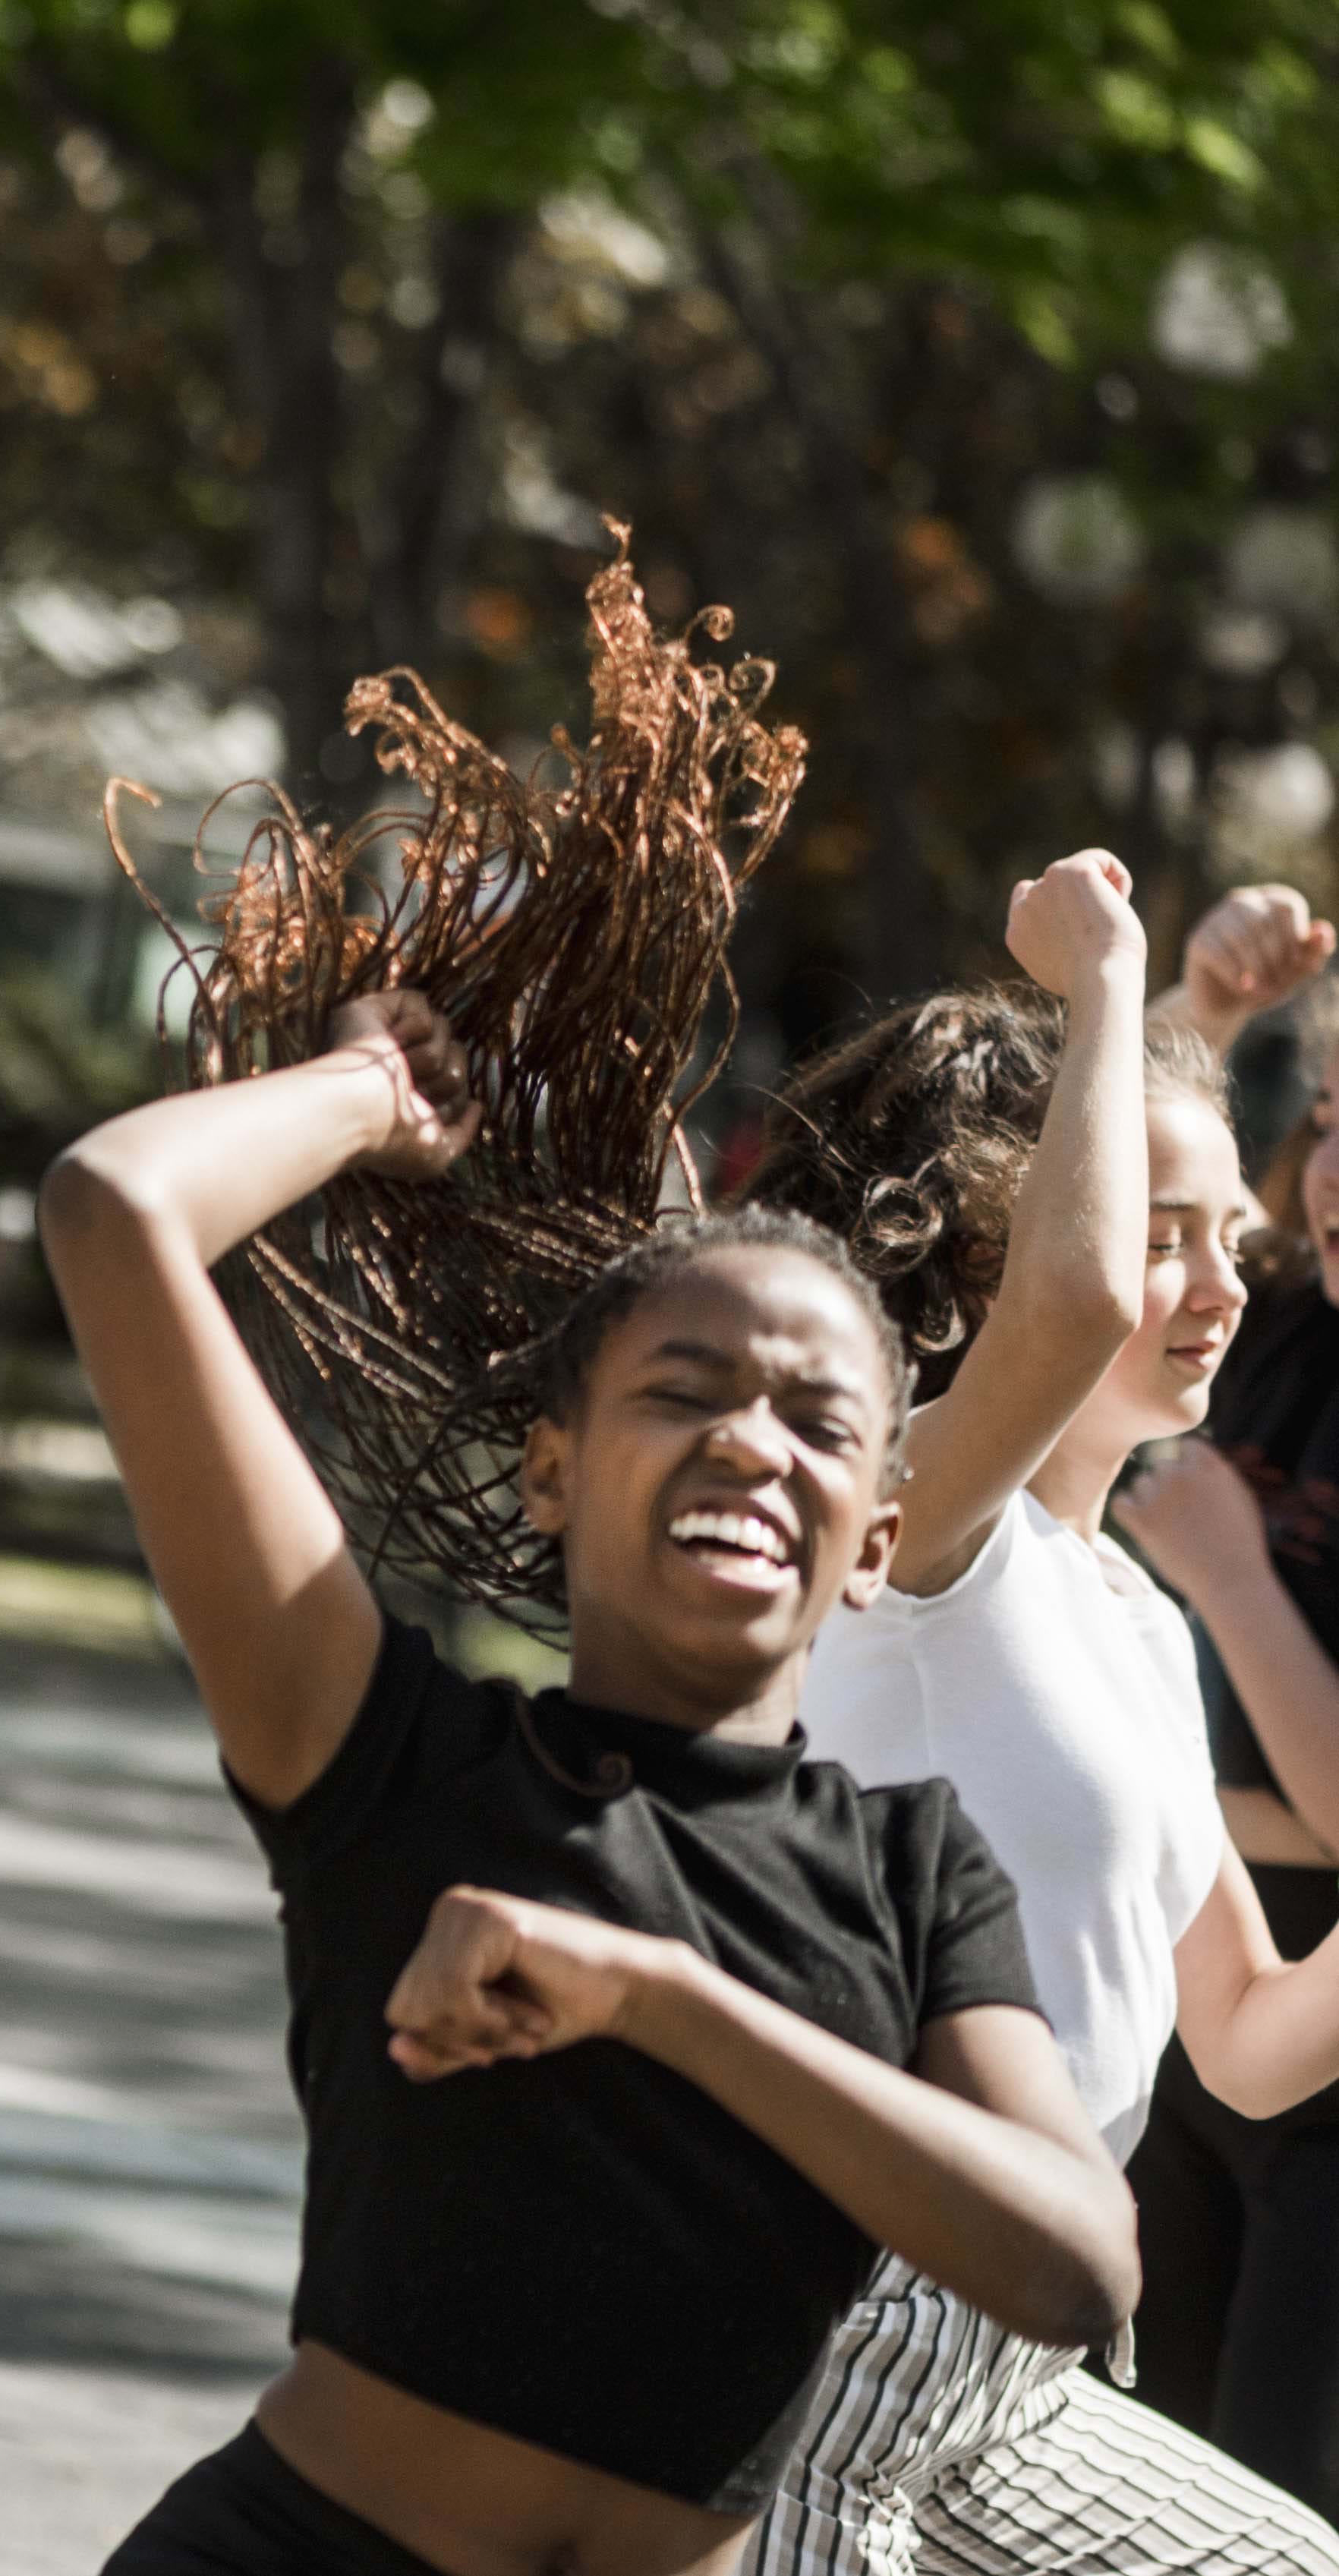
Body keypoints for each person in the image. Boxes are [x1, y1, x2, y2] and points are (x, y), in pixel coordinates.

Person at [58, 555, 1139, 2575]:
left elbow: (1073, 2261)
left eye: (819, 1419)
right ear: (549, 1475)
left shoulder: (912, 1874)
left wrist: (653, 1997)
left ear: (876, 1531)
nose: (749, 1437)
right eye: (683, 1391)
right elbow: (113, 1214)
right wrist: (373, 1096)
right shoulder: (384, 1753)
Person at [729, 863, 1339, 2569]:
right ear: (1009, 1243)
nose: (1216, 1282)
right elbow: (1065, 1310)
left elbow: (1252, 2033)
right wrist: (1117, 976)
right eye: (1164, 1236)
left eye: (1237, 1237)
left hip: (1029, 2373)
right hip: (840, 2333)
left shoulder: (1138, 1618)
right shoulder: (920, 1524)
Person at [1119, 1023, 1339, 2514]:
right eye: (1331, 1113)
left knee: (1273, 2518)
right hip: (1190, 2008)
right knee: (1138, 2505)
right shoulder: (1288, 1329)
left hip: (1313, 2076)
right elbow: (1129, 1225)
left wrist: (1233, 1582)